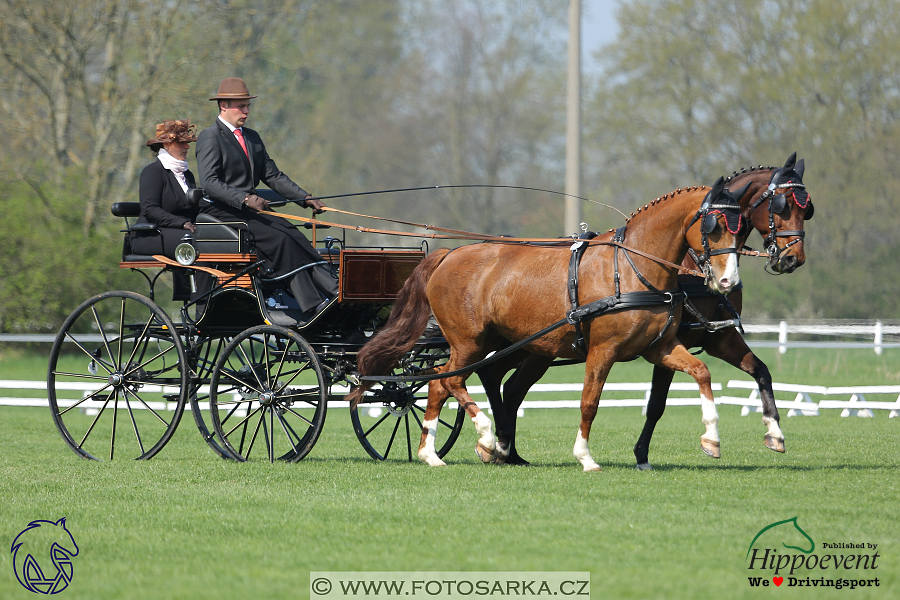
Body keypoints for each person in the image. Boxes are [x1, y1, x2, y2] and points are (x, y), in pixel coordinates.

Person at [195, 77, 338, 323]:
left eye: (248, 106)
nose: (247, 111)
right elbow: (209, 182)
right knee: (280, 238)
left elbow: (272, 175)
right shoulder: (210, 137)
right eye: (242, 106)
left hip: (247, 211)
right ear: (224, 105)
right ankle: (314, 302)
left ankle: (333, 291)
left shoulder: (252, 137)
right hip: (221, 211)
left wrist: (304, 197)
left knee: (292, 233)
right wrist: (246, 198)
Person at [131, 119, 200, 257]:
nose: (187, 147)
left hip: (181, 232)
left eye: (187, 143)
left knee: (217, 238)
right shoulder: (153, 172)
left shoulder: (187, 175)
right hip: (151, 234)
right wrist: (182, 223)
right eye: (181, 142)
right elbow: (150, 209)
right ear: (167, 144)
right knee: (200, 243)